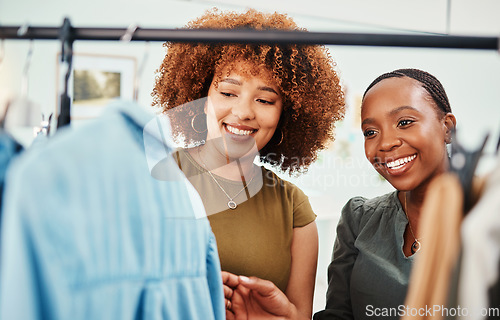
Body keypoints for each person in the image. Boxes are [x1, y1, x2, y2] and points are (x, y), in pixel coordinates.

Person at [151, 8, 345, 319]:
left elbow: (298, 316)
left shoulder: (293, 207)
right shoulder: (155, 180)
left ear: (287, 114)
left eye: (265, 100)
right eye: (228, 92)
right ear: (200, 97)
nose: (244, 112)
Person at [220, 68, 457, 320]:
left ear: (447, 127)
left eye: (404, 122)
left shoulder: (487, 219)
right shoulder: (360, 220)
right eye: (370, 132)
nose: (386, 143)